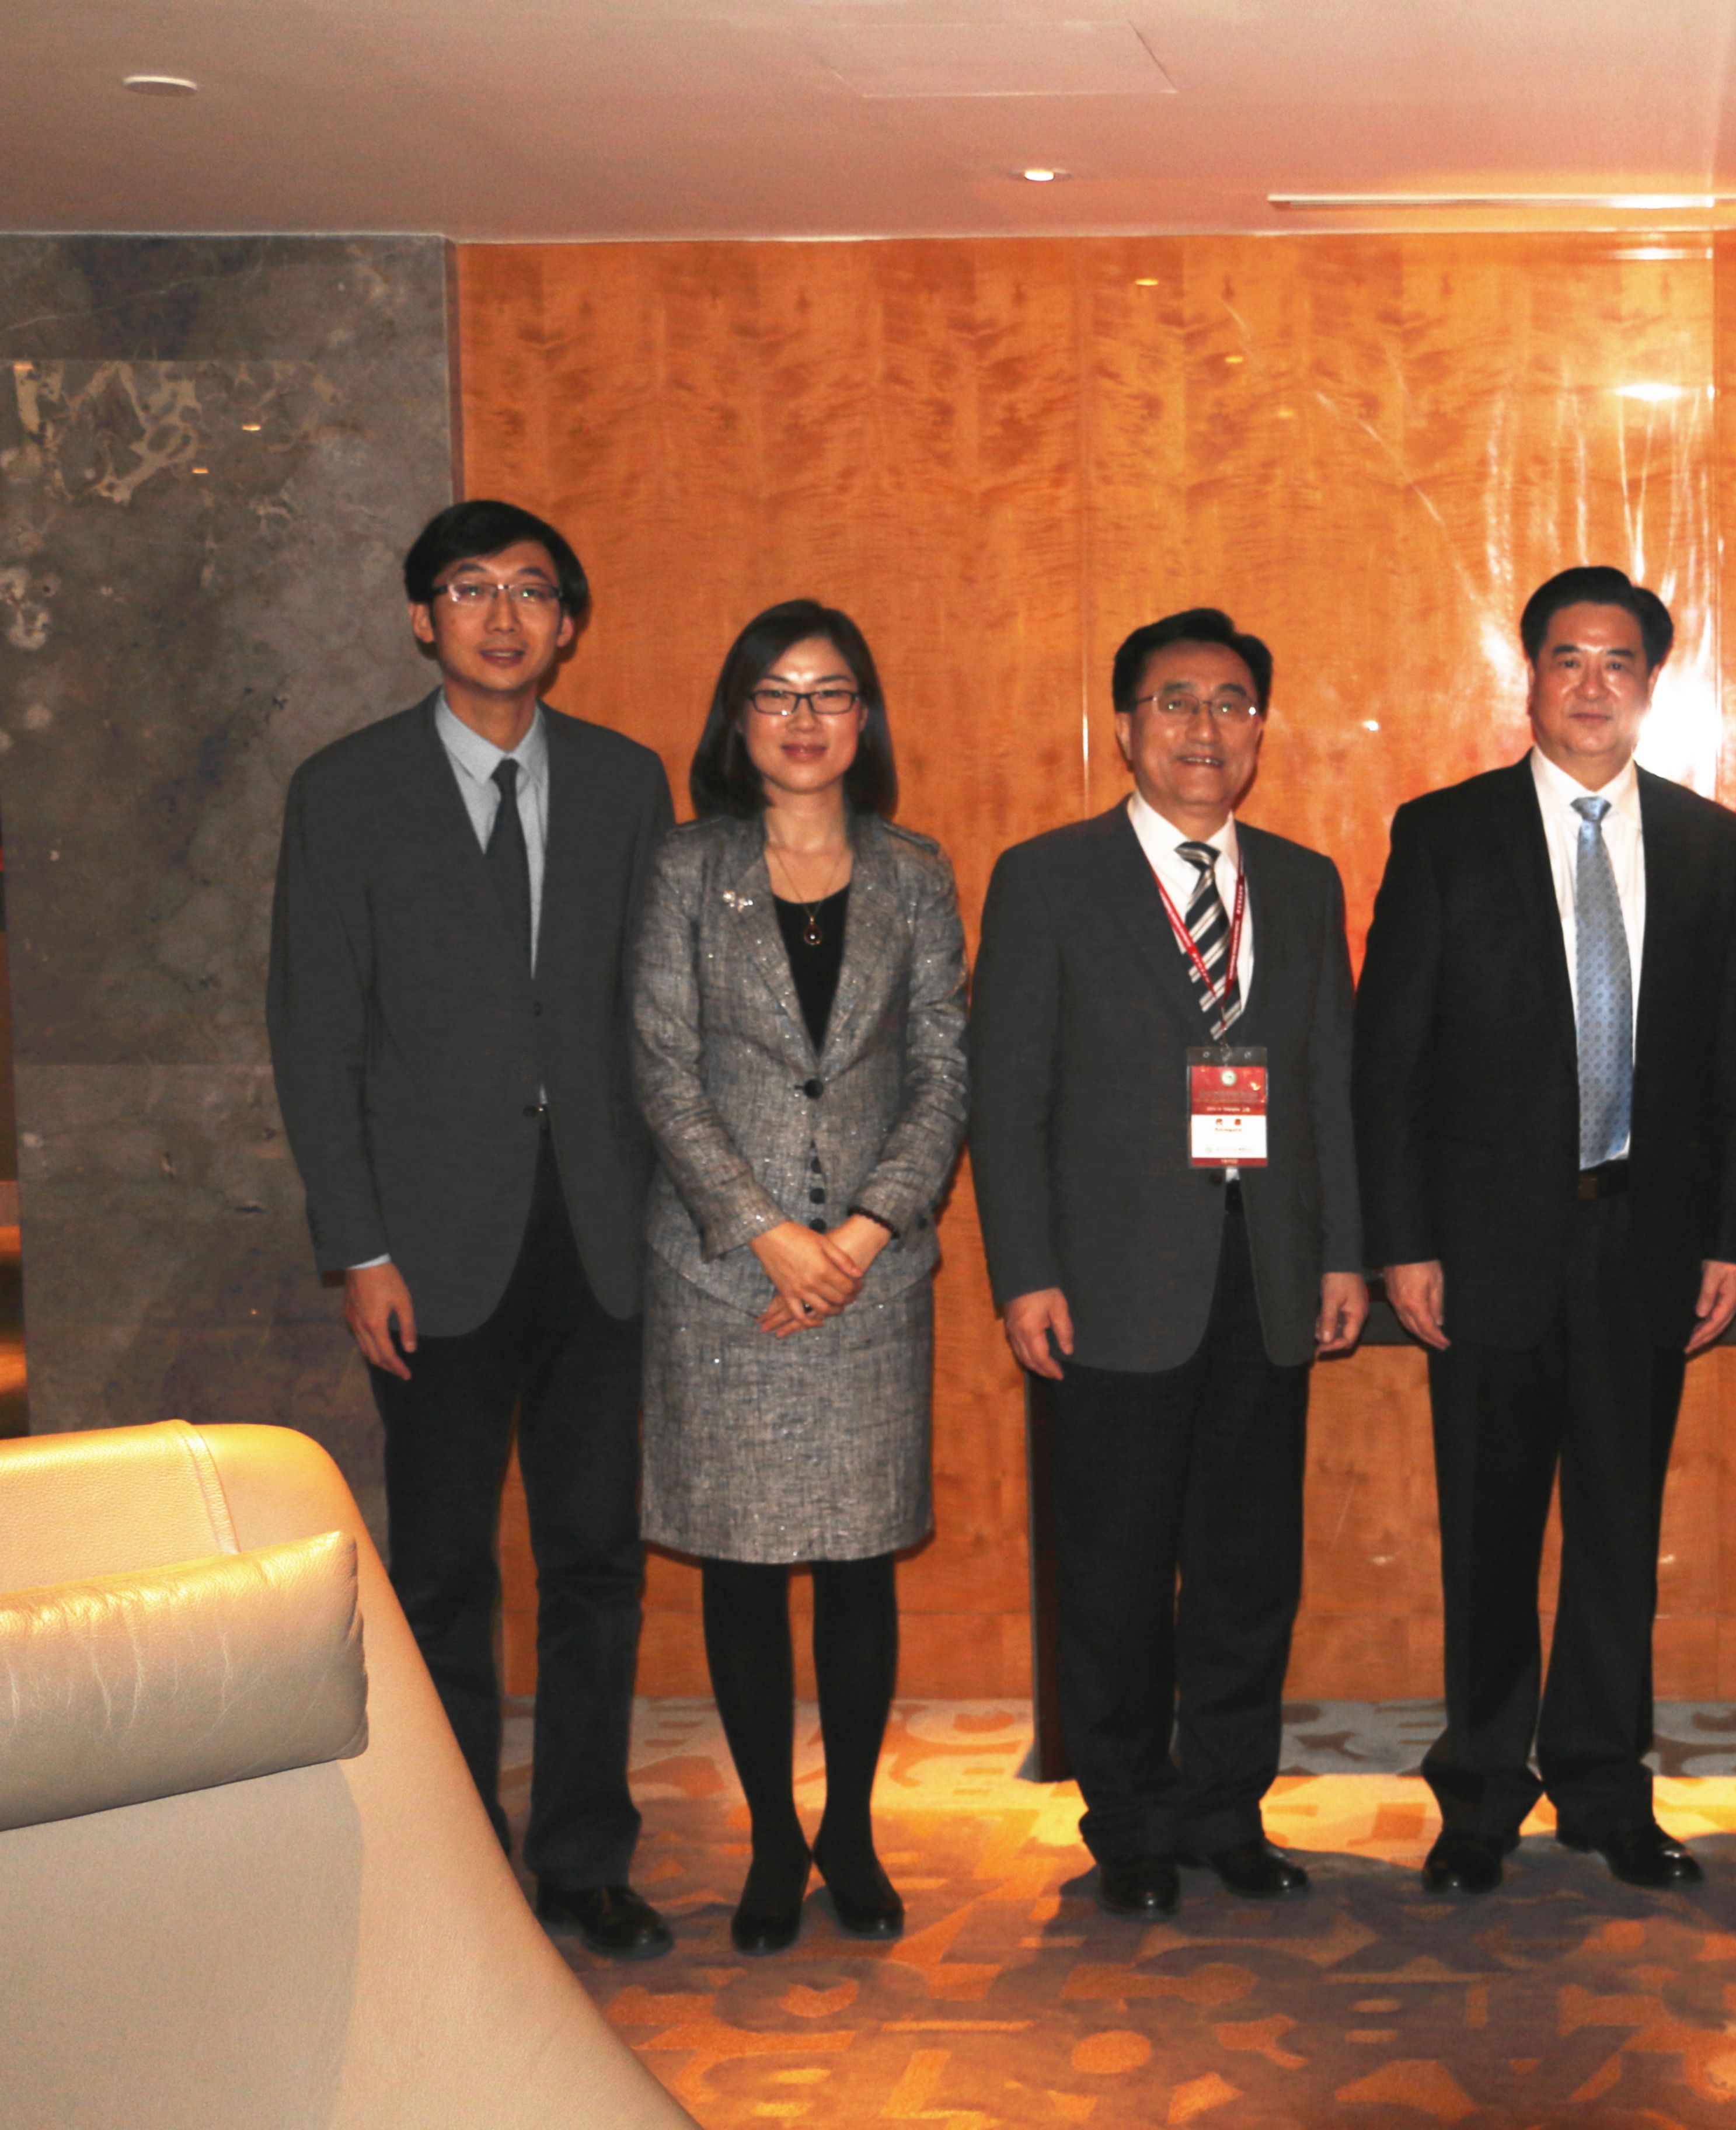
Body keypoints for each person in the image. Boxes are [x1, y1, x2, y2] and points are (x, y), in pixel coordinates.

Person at [267, 500, 678, 1958]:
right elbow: (314, 1035)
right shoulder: (346, 790)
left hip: (600, 1237)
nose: (503, 616)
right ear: (420, 618)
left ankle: (582, 1859)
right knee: (443, 1571)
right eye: (469, 588)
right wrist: (358, 1245)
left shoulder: (627, 783)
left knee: (595, 1563)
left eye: (532, 591)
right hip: (429, 1252)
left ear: (569, 626)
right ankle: (459, 1876)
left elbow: (655, 1011)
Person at [1355, 566, 1736, 1895]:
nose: (1593, 686)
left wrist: (1732, 1238)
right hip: (1484, 1250)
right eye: (1567, 660)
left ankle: (1603, 1785)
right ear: (1529, 678)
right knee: (1488, 1533)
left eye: (1619, 662)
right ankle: (1481, 1792)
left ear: (1652, 684)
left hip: (1644, 1243)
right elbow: (1389, 1059)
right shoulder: (1445, 834)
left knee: (1616, 1534)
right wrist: (1402, 1240)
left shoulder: (1712, 845)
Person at [970, 608, 1367, 1922]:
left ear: (1261, 730)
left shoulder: (1302, 883)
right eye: (1178, 702)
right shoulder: (1049, 877)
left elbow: (1328, 1083)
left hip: (1269, 1277)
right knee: (1117, 1574)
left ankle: (1225, 1810)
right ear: (1127, 727)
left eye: (1233, 704)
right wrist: (1024, 1271)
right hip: (1108, 1286)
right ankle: (1131, 1822)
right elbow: (1006, 1096)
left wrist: (1344, 1254)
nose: (1208, 728)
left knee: (1250, 1572)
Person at [630, 600, 968, 1954]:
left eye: (830, 693)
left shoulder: (916, 873)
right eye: (777, 694)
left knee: (859, 1566)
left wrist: (867, 1233)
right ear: (739, 719)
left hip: (873, 1281)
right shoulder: (684, 869)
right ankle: (774, 1837)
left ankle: (853, 1831)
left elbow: (943, 1072)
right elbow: (662, 1069)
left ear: (864, 717)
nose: (805, 719)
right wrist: (768, 1231)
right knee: (743, 1570)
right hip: (727, 1280)